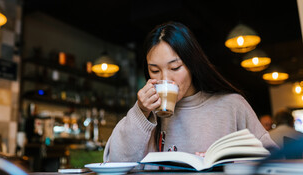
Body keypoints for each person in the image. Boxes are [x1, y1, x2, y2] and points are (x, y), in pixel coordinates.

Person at [103, 21, 277, 163]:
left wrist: (229, 162)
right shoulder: (147, 114)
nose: (166, 78)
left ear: (192, 64)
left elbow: (273, 157)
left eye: (175, 67)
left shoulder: (231, 105)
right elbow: (114, 162)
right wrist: (140, 112)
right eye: (155, 71)